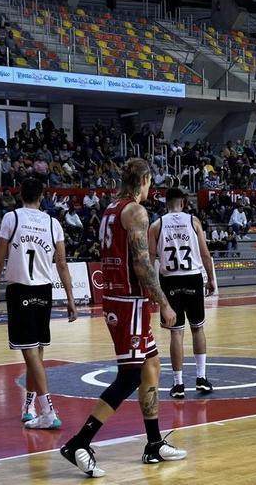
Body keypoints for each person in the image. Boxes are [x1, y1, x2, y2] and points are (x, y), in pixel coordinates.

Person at [60, 158, 185, 478]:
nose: (150, 187)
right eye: (149, 181)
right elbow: (143, 265)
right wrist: (165, 303)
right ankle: (78, 442)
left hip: (119, 298)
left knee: (152, 365)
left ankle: (154, 442)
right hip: (129, 302)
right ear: (143, 179)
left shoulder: (110, 209)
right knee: (129, 377)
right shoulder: (136, 212)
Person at [0, 178, 77, 429]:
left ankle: (48, 410)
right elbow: (61, 264)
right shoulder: (53, 223)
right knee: (35, 353)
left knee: (30, 352)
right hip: (44, 291)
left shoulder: (11, 218)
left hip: (20, 289)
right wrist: (70, 299)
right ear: (42, 197)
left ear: (20, 196)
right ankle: (28, 406)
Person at [147, 187, 216, 398]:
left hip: (169, 280)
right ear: (184, 203)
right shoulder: (193, 222)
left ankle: (178, 384)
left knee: (176, 332)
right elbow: (205, 253)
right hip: (193, 277)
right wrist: (211, 278)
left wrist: (151, 287)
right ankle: (201, 378)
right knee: (198, 329)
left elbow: (149, 259)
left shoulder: (156, 225)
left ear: (165, 204)